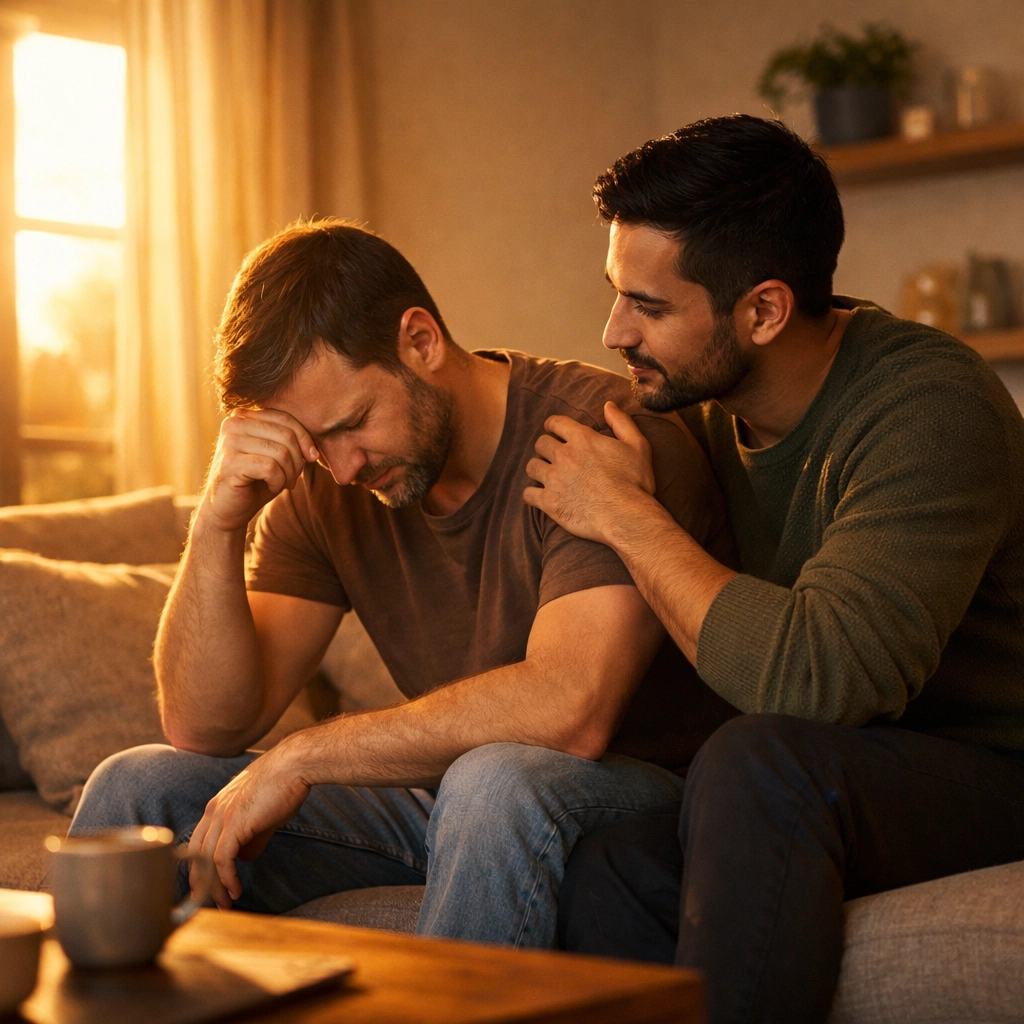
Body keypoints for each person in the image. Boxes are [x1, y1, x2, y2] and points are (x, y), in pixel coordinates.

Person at [68, 219, 739, 948]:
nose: (343, 467)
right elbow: (206, 726)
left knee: (494, 783)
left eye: (352, 423)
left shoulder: (593, 439)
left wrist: (303, 756)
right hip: (452, 800)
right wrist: (216, 525)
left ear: (420, 342)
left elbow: (570, 709)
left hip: (642, 803)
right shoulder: (327, 481)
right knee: (139, 785)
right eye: (312, 442)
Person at [524, 115, 1024, 1022]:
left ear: (763, 309)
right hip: (867, 763)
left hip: (1000, 764)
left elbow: (821, 681)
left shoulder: (930, 406)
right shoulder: (702, 422)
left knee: (761, 762)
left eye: (650, 306)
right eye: (615, 293)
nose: (611, 330)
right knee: (610, 866)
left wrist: (626, 517)